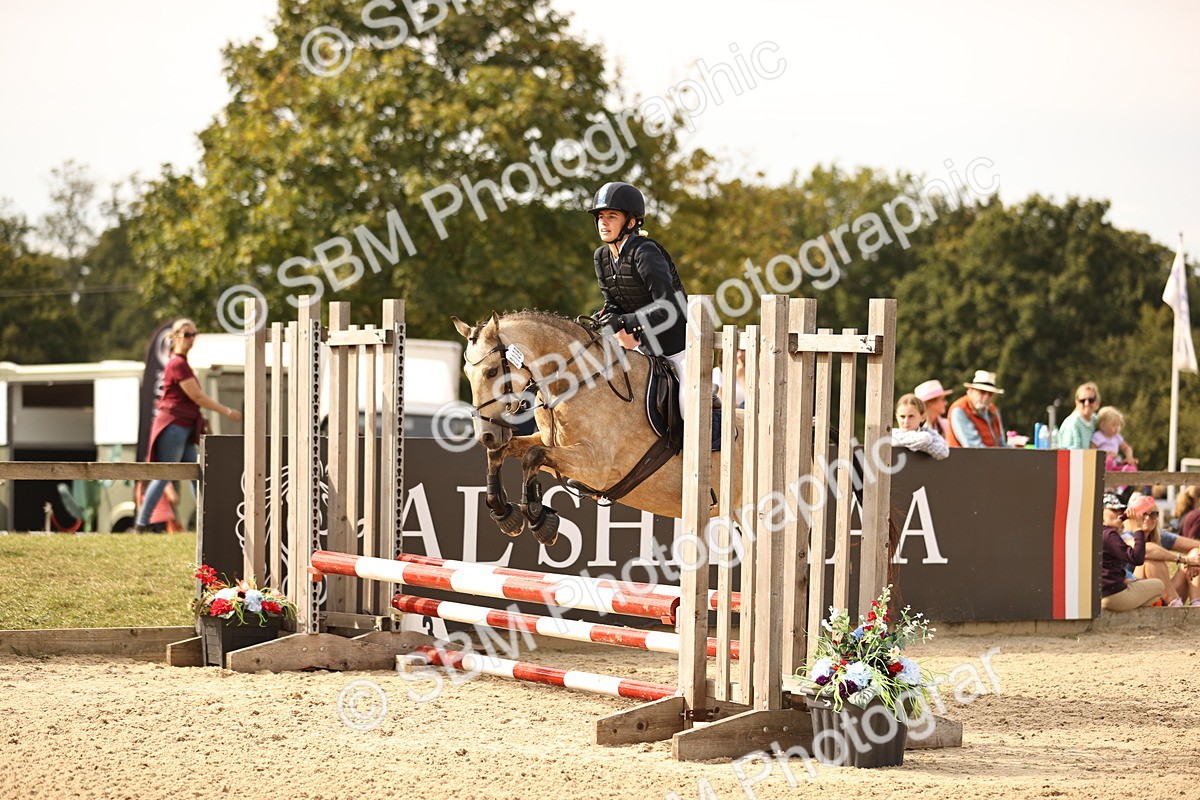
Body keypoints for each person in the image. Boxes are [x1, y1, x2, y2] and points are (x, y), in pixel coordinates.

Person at [588, 181, 690, 414]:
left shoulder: (645, 252)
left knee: (687, 405)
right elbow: (613, 303)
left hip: (681, 347)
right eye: (601, 216)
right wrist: (603, 317)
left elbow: (668, 307)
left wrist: (624, 322)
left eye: (612, 216)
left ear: (631, 222)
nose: (603, 222)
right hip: (646, 349)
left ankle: (711, 445)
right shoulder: (602, 257)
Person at [135, 319, 242, 532]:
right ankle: (142, 523)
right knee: (166, 475)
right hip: (174, 426)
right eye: (187, 334)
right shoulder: (177, 364)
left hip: (184, 428)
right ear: (175, 337)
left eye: (194, 333)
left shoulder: (181, 363)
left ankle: (209, 522)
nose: (191, 338)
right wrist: (227, 411)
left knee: (197, 473)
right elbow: (198, 397)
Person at [1123, 494, 1200, 607]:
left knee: (1196, 554)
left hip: (1162, 594)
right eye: (1143, 513)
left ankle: (1196, 606)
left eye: (1153, 514)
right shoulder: (1124, 536)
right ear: (1133, 516)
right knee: (1150, 561)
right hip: (1135, 595)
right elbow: (1146, 550)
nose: (1148, 518)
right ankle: (1175, 605)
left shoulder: (1160, 535)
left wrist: (1193, 561)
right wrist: (1184, 560)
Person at [1100, 492, 1163, 611]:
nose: (1120, 513)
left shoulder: (1094, 532)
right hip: (1114, 596)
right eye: (1114, 510)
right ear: (1101, 511)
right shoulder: (1109, 534)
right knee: (1159, 586)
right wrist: (1138, 530)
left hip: (1096, 595)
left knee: (1143, 591)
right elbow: (1137, 559)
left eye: (1121, 510)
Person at [946, 370, 1007, 448]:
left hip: (992, 458)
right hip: (964, 459)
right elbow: (972, 446)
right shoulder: (959, 410)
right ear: (971, 391)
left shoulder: (993, 410)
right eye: (982, 392)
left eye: (990, 394)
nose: (986, 397)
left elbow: (1001, 443)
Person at [891, 394, 949, 460]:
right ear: (896, 416)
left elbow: (944, 452)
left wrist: (922, 444)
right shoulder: (892, 434)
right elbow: (924, 439)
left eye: (911, 416)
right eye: (902, 417)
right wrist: (923, 443)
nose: (906, 421)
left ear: (922, 417)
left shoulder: (930, 434)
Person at [1090, 406, 1138, 471]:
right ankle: (1106, 478)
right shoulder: (1098, 436)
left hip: (1115, 465)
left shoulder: (1117, 437)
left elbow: (1126, 448)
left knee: (1131, 468)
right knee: (1108, 460)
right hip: (1101, 466)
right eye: (1114, 425)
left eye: (1118, 425)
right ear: (1102, 425)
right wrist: (1105, 454)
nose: (1117, 428)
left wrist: (1129, 457)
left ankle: (1120, 478)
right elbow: (1092, 451)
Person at [1057, 381, 1101, 450]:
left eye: (1091, 400)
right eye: (1082, 400)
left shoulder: (1096, 420)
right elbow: (1071, 454)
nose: (1087, 403)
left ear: (1097, 402)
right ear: (1077, 402)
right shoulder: (1072, 423)